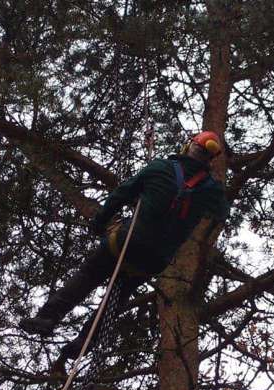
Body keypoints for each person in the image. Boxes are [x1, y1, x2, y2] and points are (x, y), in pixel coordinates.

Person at [19, 131, 229, 355]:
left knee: (89, 274)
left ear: (188, 147)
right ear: (209, 159)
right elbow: (222, 213)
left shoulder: (160, 167)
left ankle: (47, 317)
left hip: (127, 242)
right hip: (155, 260)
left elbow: (122, 193)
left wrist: (99, 223)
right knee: (118, 296)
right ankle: (85, 341)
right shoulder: (211, 190)